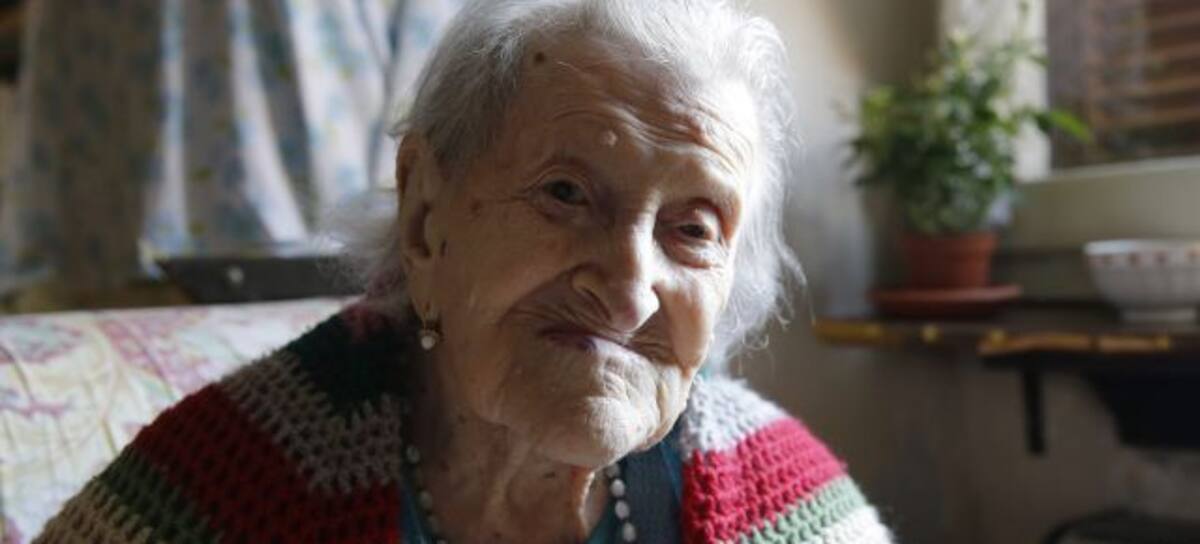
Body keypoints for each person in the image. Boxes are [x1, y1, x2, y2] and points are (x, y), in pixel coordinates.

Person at [37, 1, 893, 542]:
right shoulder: (232, 482)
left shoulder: (787, 508)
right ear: (424, 217)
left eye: (692, 230)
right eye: (566, 193)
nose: (630, 290)